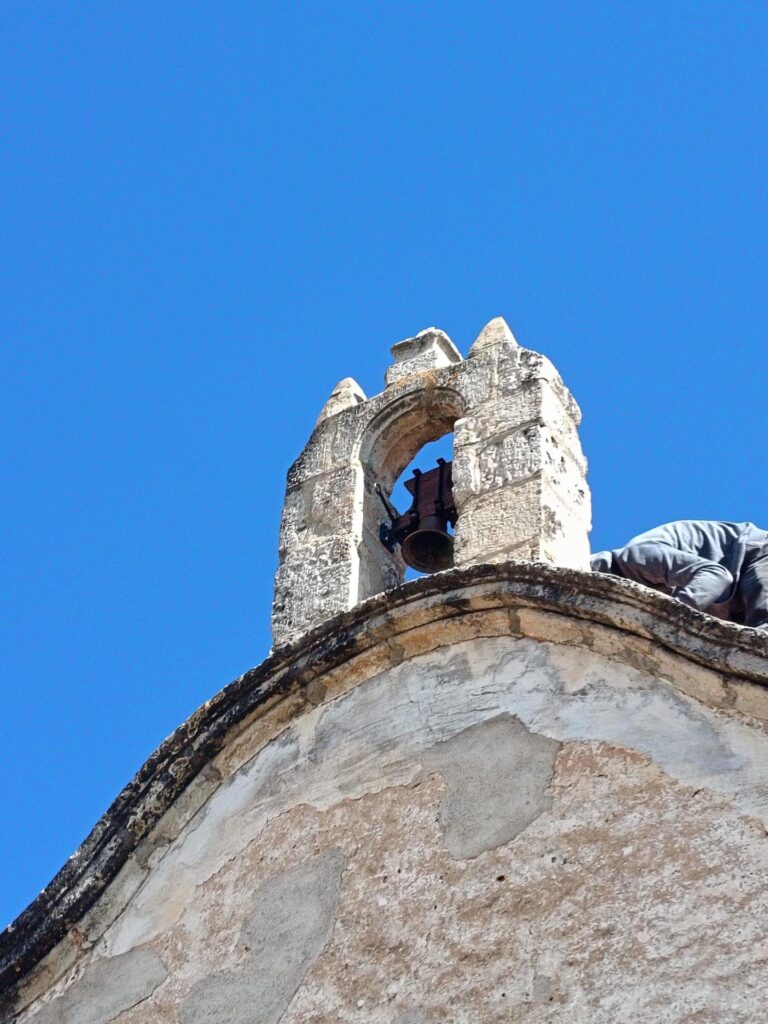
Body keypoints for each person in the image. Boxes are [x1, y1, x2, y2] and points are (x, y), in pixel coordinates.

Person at [591, 520, 768, 629]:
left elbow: (715, 575)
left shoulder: (635, 558)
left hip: (754, 551)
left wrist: (668, 620)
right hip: (730, 600)